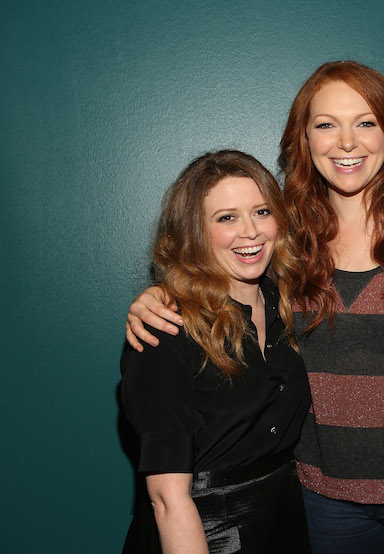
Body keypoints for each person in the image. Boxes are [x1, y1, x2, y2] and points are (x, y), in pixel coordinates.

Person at [126, 62, 384, 554]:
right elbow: (217, 277)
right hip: (324, 504)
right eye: (326, 125)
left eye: (365, 122)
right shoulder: (286, 238)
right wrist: (162, 295)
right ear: (304, 139)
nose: (347, 142)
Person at [120, 150, 312, 553]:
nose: (251, 232)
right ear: (195, 233)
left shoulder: (293, 305)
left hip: (288, 524)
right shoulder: (167, 329)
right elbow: (168, 499)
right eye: (227, 218)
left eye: (262, 212)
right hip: (203, 534)